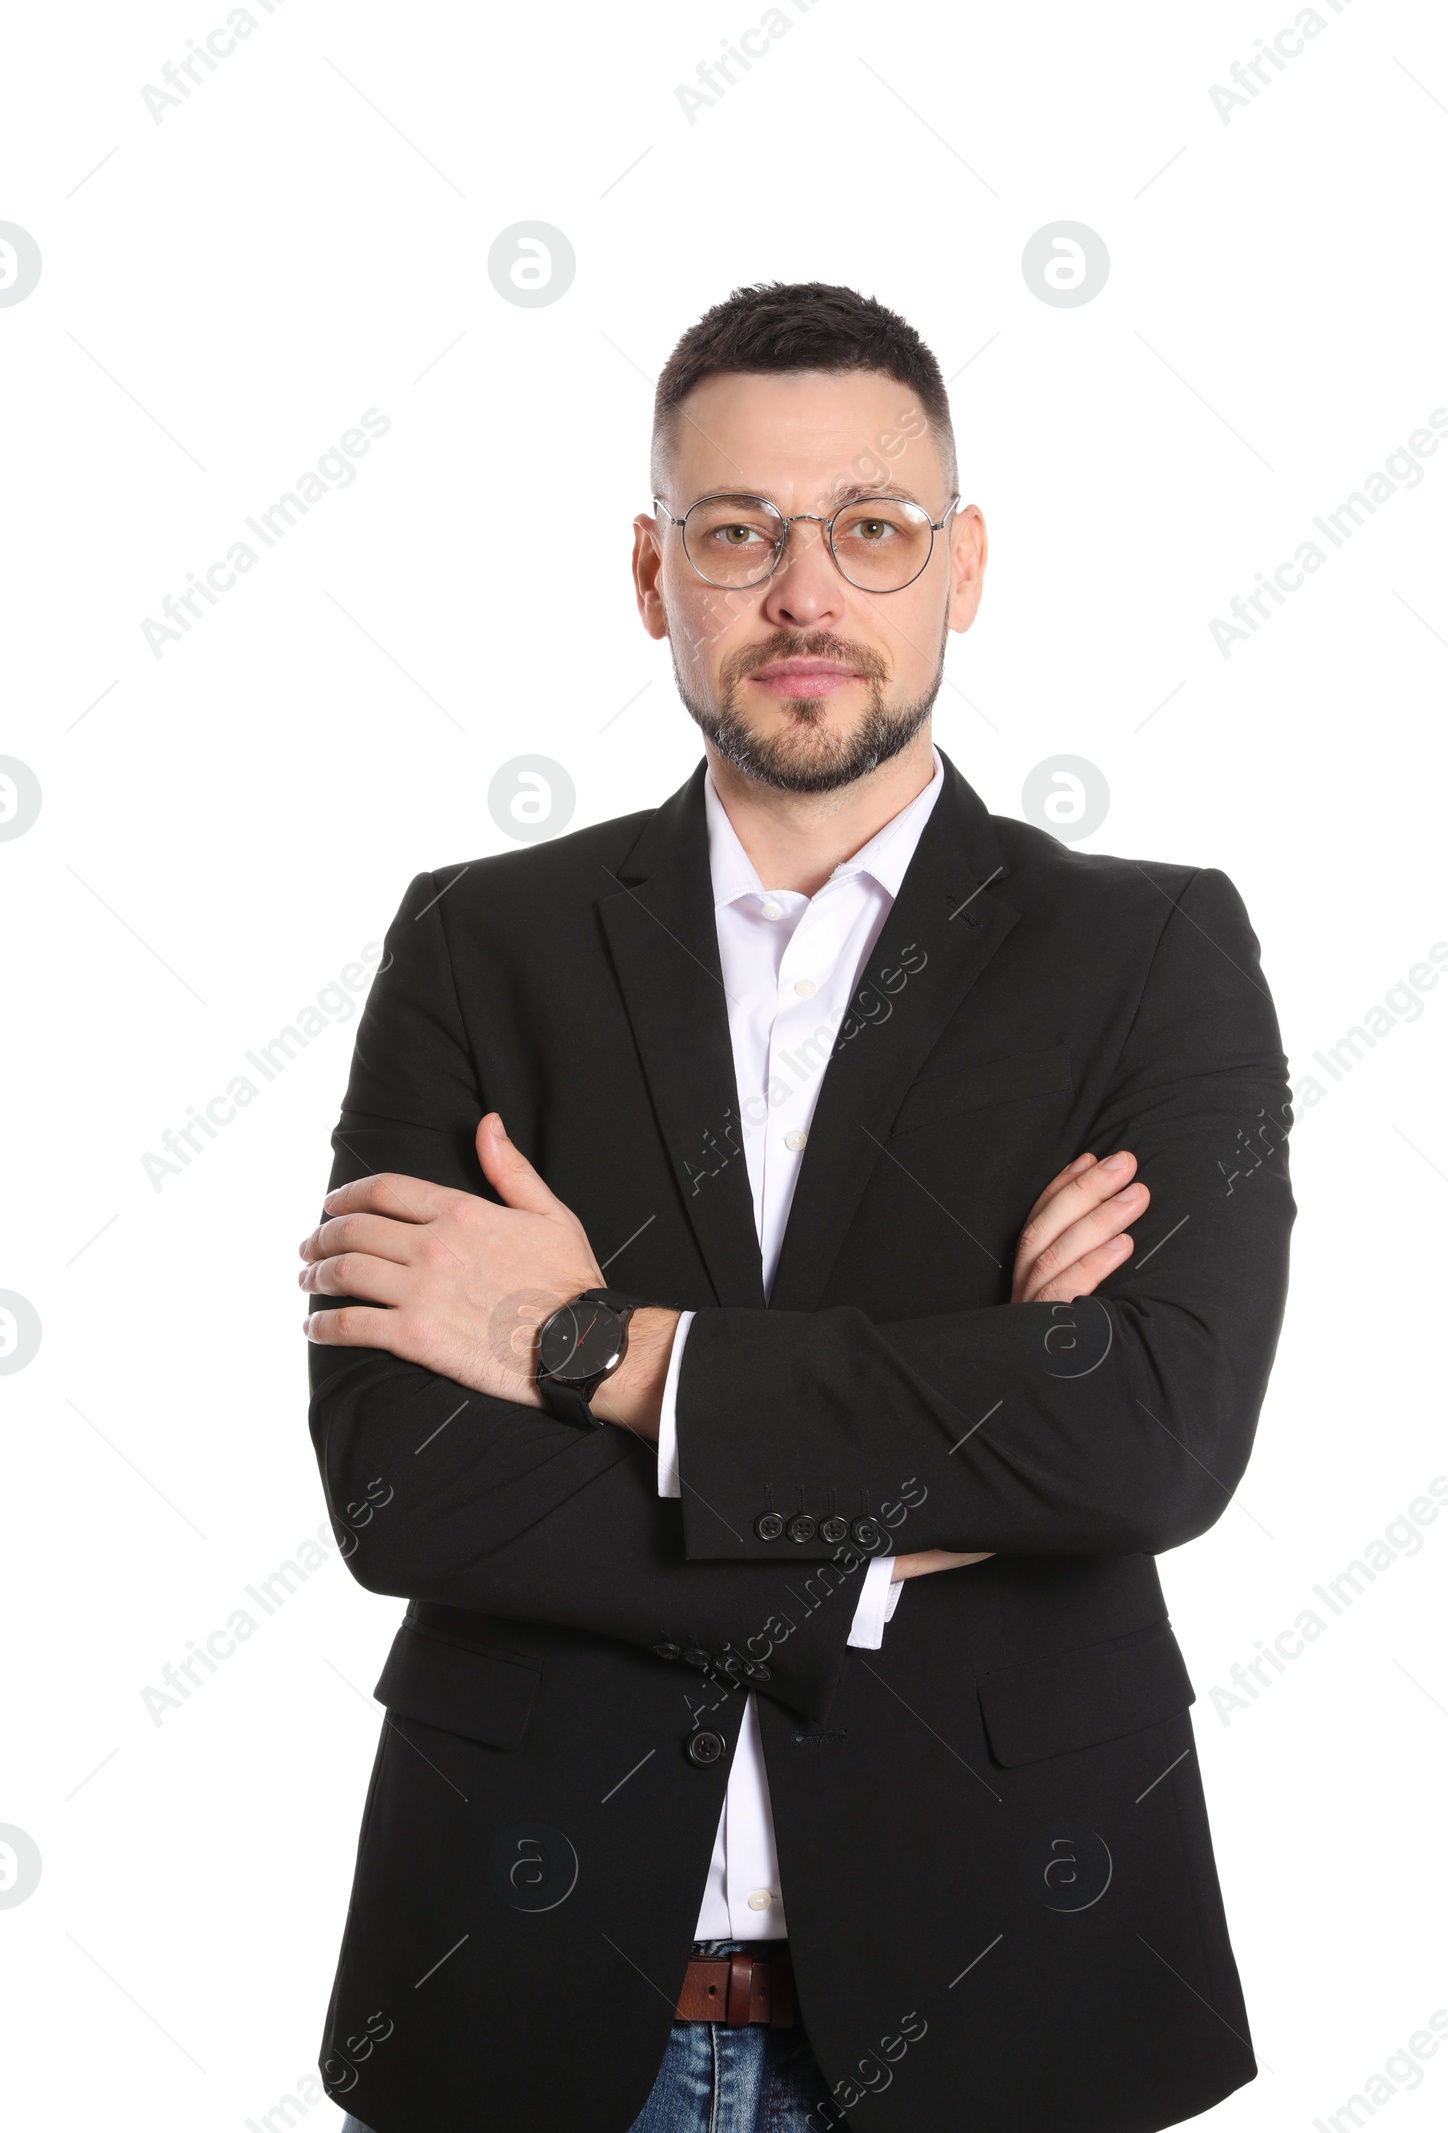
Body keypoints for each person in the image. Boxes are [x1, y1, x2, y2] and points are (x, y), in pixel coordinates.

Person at [302, 281, 1295, 2133]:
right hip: (526, 1979)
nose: (805, 591)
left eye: (872, 529)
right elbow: (399, 1477)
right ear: (651, 571)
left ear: (963, 564)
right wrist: (902, 1493)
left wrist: (590, 1349)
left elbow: (1148, 1435)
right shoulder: (479, 941)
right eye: (737, 531)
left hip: (1020, 1959)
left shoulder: (1149, 949)